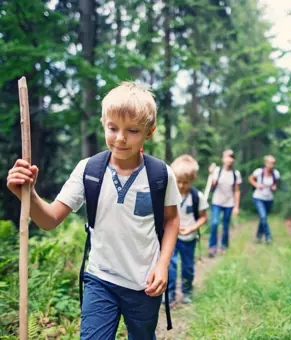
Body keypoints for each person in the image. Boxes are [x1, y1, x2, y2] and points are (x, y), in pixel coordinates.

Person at [7, 81, 181, 339]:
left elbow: (171, 220)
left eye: (132, 130)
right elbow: (49, 220)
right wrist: (28, 194)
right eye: (113, 128)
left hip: (145, 284)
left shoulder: (160, 175)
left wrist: (163, 265)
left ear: (149, 132)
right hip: (100, 280)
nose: (120, 138)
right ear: (103, 123)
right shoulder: (88, 170)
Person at [167, 155, 208, 304]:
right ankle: (169, 293)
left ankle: (187, 291)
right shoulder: (168, 194)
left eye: (186, 182)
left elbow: (203, 217)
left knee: (187, 266)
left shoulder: (198, 197)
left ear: (193, 179)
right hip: (171, 237)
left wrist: (192, 228)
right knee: (169, 265)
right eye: (178, 182)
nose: (182, 186)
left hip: (188, 239)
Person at [208, 149, 242, 257]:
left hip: (229, 203)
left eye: (231, 157)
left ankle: (223, 246)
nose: (229, 159)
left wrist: (236, 207)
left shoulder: (236, 174)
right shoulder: (217, 171)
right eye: (227, 157)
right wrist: (212, 175)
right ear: (223, 159)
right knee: (214, 223)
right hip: (217, 201)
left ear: (233, 159)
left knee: (226, 225)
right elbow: (211, 186)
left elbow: (236, 190)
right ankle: (212, 247)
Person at [248, 155, 280, 244]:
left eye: (273, 163)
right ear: (266, 163)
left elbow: (276, 182)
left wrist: (274, 186)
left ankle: (258, 236)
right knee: (263, 217)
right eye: (270, 163)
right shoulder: (259, 172)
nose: (271, 165)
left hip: (269, 199)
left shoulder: (276, 173)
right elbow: (250, 179)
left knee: (263, 218)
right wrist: (256, 185)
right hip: (258, 197)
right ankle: (268, 236)